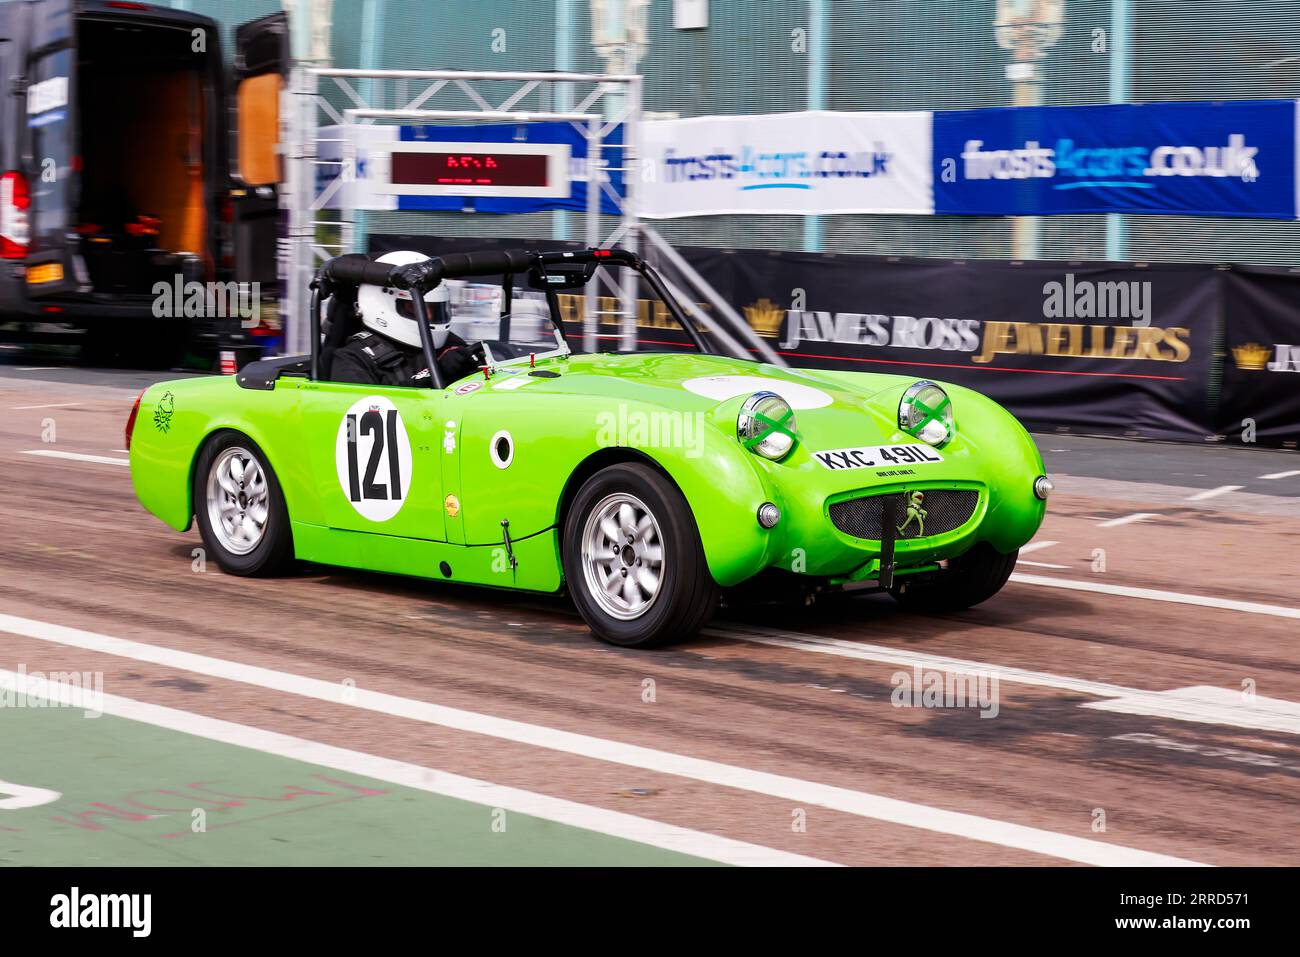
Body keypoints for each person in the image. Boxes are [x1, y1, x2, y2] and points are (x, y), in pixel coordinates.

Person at [330, 250, 483, 387]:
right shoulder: (353, 359)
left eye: (435, 310)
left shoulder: (451, 345)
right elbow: (369, 411)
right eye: (416, 308)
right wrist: (434, 374)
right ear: (382, 305)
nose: (428, 317)